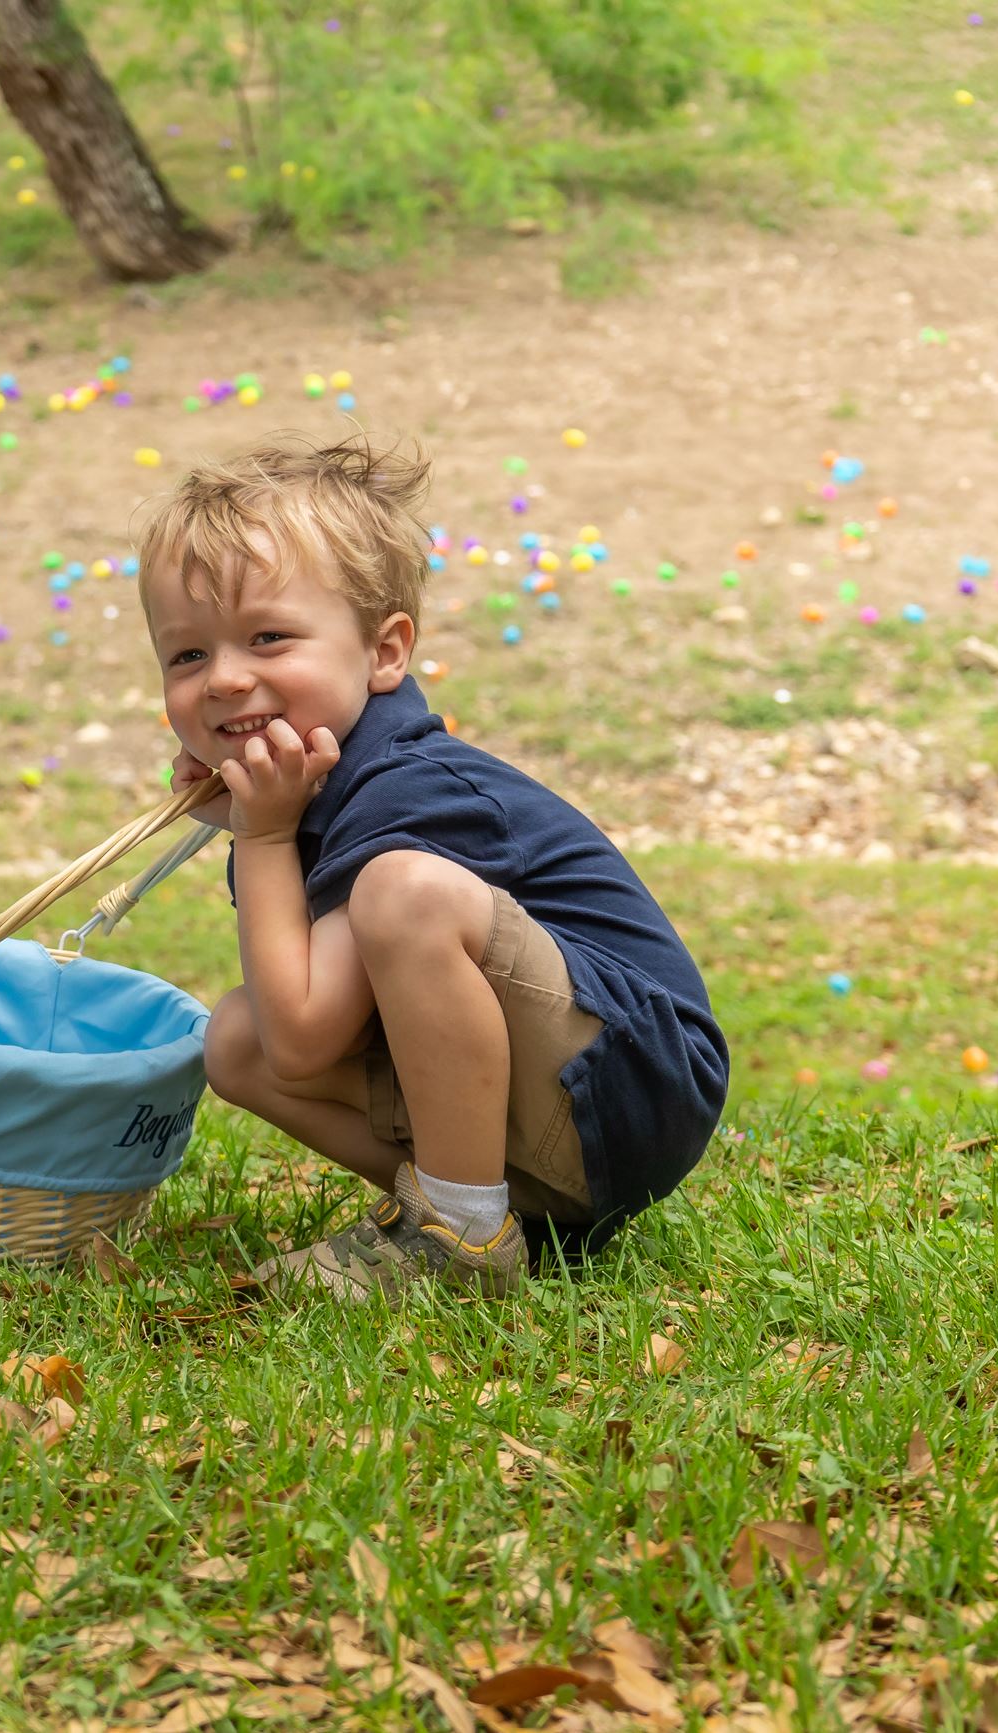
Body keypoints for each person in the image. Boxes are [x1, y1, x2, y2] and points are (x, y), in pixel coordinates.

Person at [132, 431, 728, 1296]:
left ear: (384, 651)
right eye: (188, 654)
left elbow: (306, 1040)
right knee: (234, 1041)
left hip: (633, 1083)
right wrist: (259, 832)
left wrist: (262, 840)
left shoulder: (410, 790)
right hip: (555, 1106)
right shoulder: (307, 799)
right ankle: (500, 1218)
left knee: (403, 891)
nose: (223, 678)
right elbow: (287, 1033)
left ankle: (459, 1235)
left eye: (267, 636)